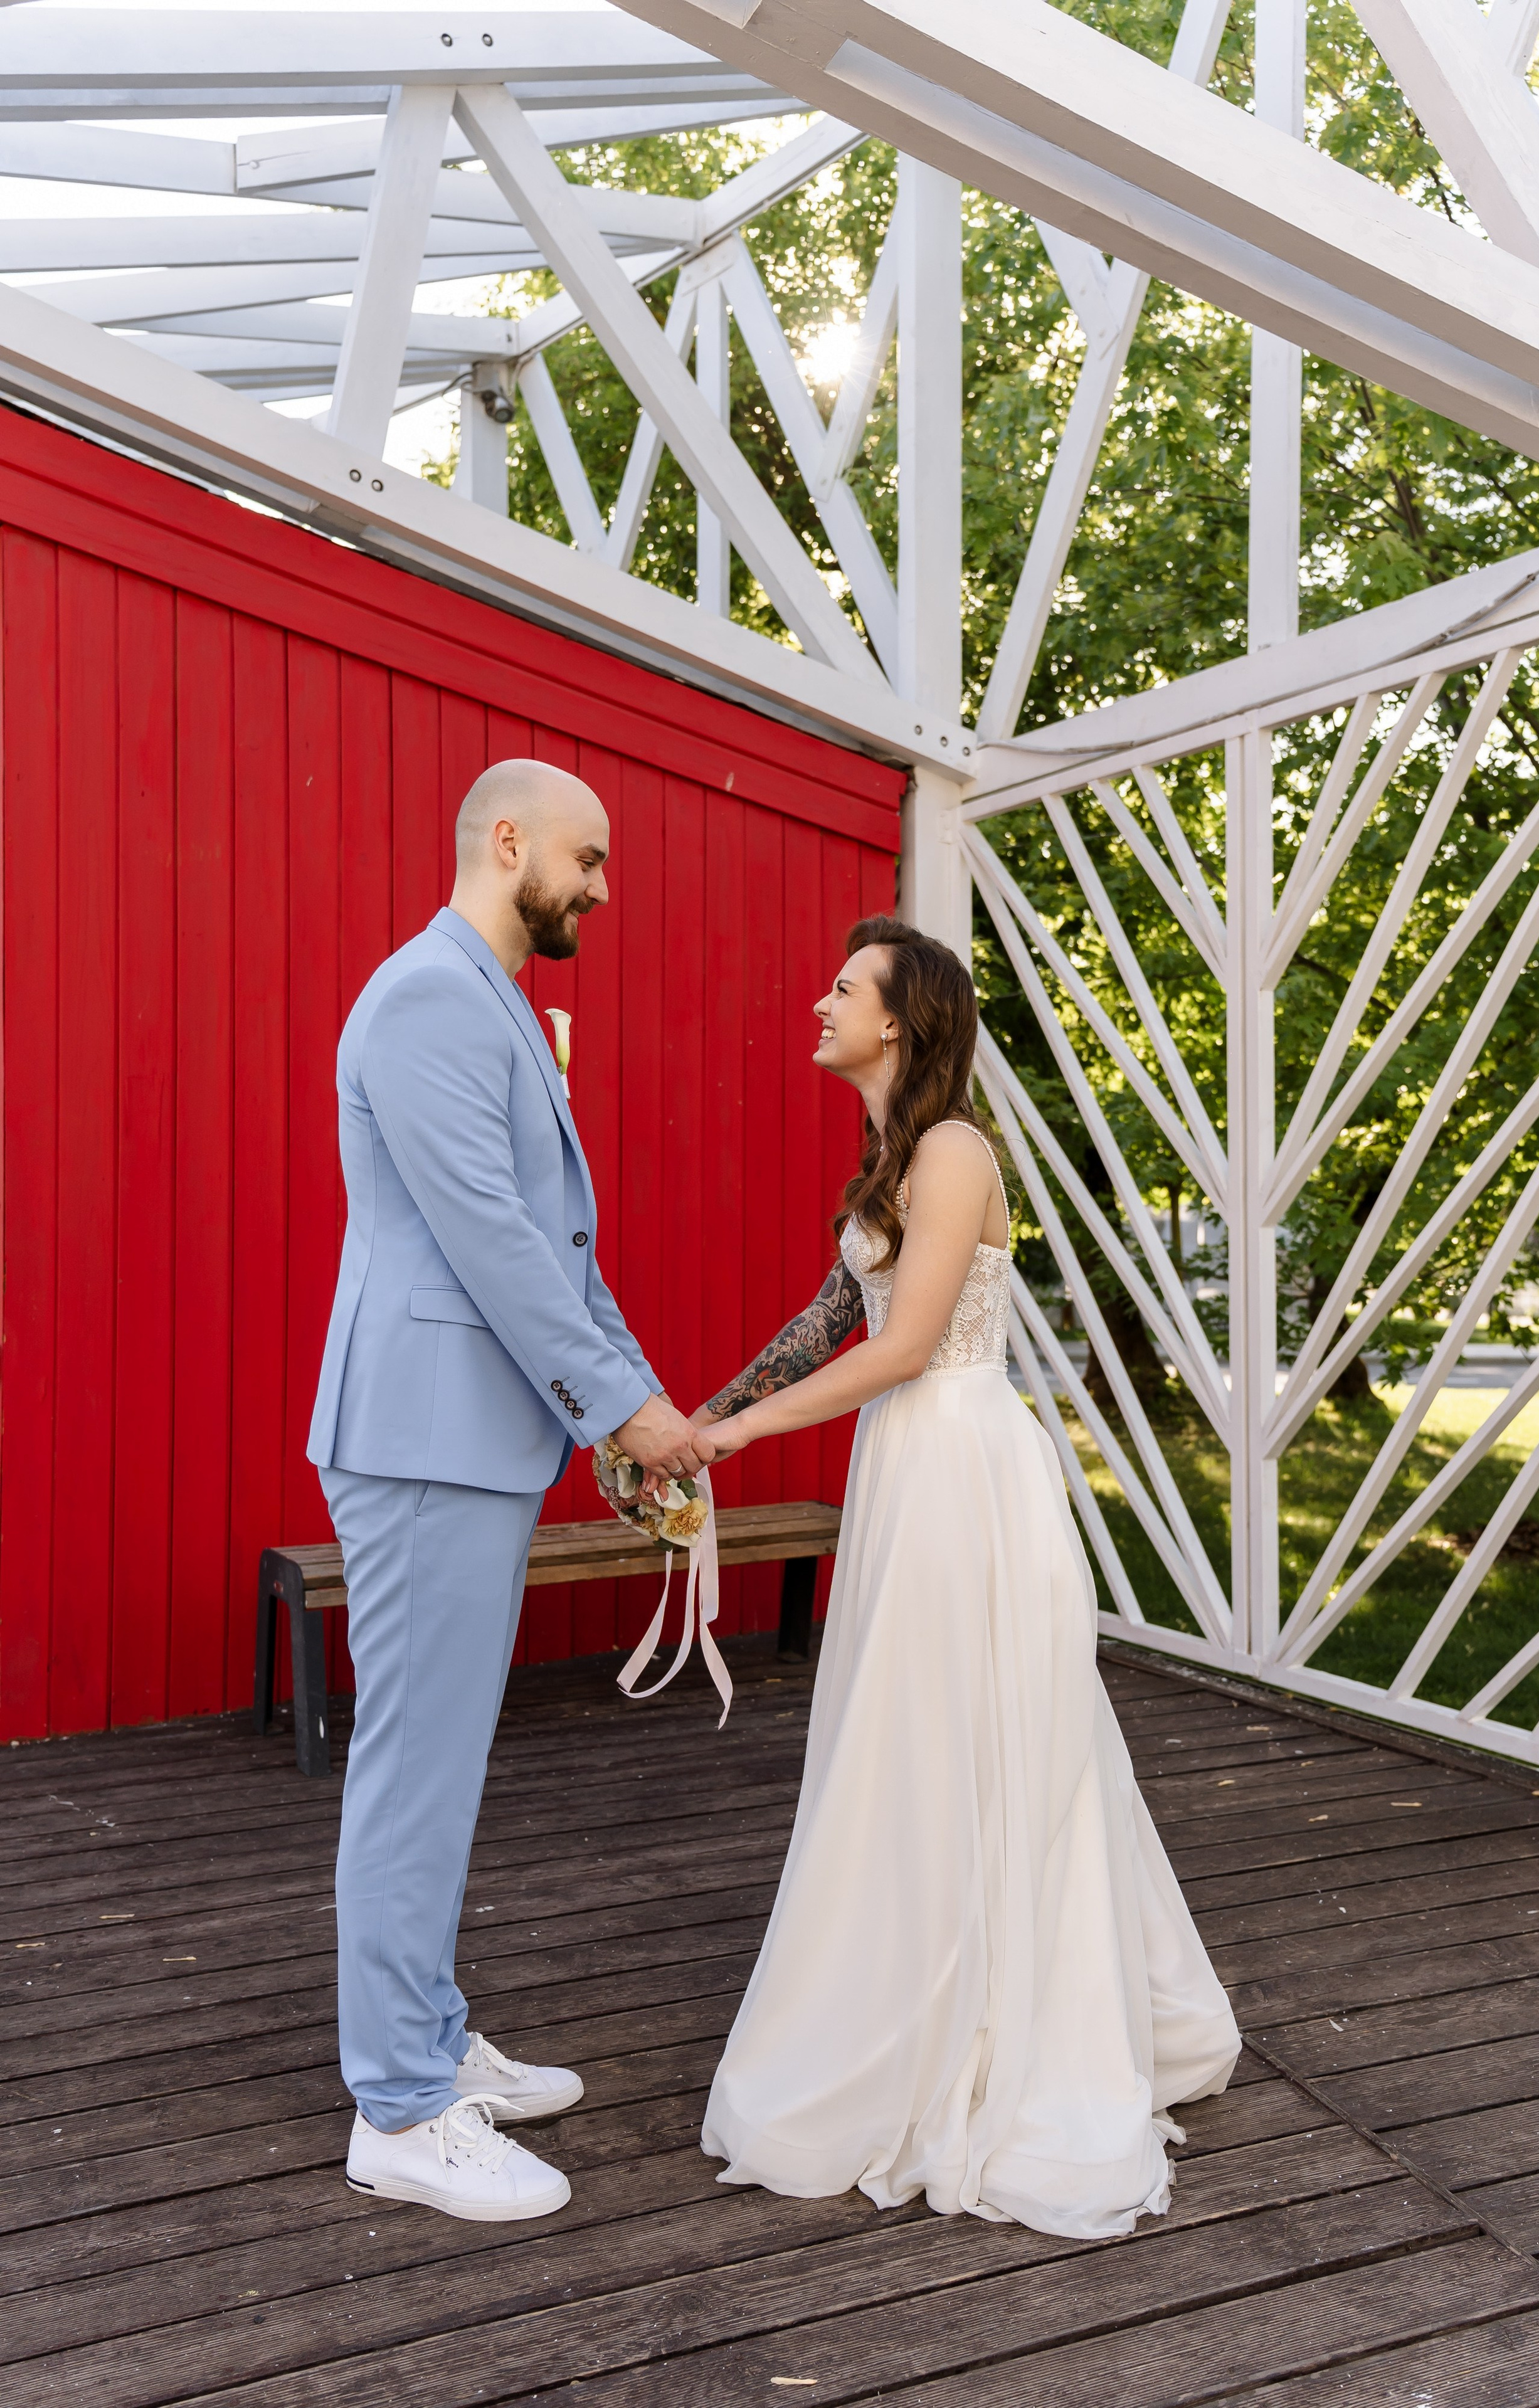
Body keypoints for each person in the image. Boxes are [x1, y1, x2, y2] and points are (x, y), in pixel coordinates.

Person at [694, 915, 1239, 2238]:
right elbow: (836, 1318)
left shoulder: (950, 1148)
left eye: (841, 987)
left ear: (897, 1020)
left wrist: (744, 1433)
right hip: (906, 1473)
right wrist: (701, 1415)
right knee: (901, 1739)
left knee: (961, 1735)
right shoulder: (887, 1159)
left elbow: (906, 1345)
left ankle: (990, 2025)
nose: (816, 1000)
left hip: (956, 1466)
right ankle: (906, 1997)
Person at [308, 758, 715, 2223]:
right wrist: (622, 1407)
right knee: (412, 1771)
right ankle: (403, 2113)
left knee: (442, 1763)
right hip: (421, 1435)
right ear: (507, 840)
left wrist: (634, 1403)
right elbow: (486, 1234)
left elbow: (562, 1251)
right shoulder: (427, 994)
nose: (601, 889)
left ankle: (424, 2037)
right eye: (587, 860)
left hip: (468, 1434)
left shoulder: (486, 1004)